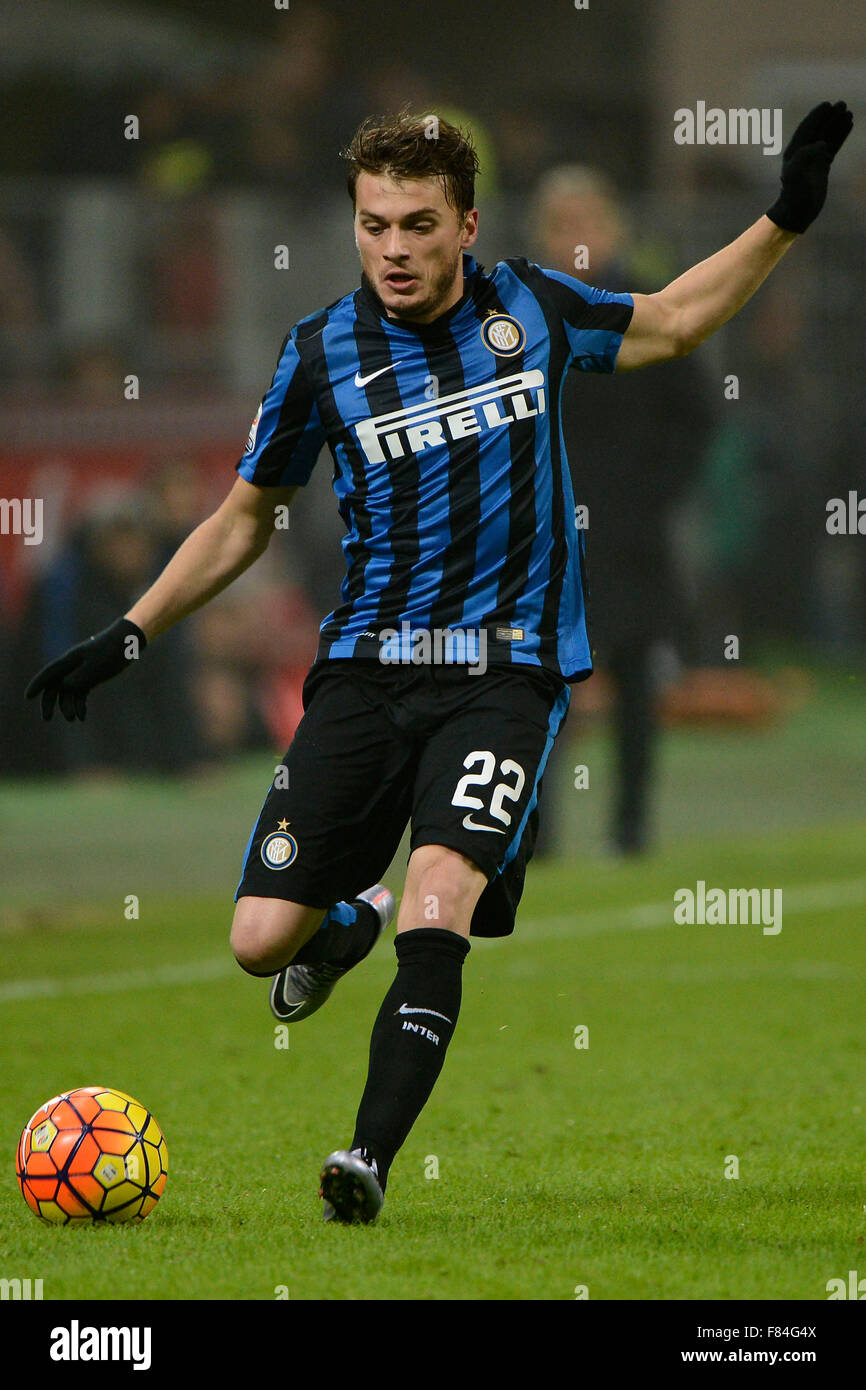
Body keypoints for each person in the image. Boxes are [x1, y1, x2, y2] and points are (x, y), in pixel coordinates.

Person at [26, 102, 853, 1223]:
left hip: (504, 674)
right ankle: (346, 922)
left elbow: (668, 321)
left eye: (418, 224)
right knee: (258, 937)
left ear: (465, 224)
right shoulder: (321, 351)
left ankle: (362, 1160)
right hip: (364, 672)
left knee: (440, 896)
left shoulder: (531, 305)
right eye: (373, 225)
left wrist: (783, 218)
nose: (394, 249)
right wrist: (128, 631)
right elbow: (243, 516)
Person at [529, 165, 715, 855]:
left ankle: (631, 828)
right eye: (562, 224)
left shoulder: (649, 310)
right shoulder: (519, 321)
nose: (576, 237)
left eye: (588, 222)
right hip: (546, 538)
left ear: (613, 229)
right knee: (542, 685)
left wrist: (653, 497)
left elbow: (695, 420)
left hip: (632, 535)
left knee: (635, 684)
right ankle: (534, 832)